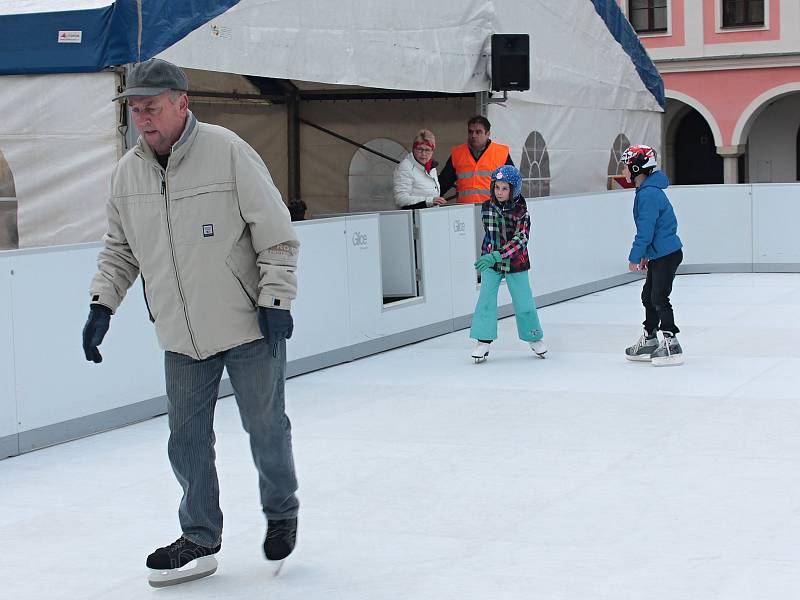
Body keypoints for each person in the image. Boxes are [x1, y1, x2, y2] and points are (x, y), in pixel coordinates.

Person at [81, 58, 300, 587]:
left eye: (151, 107)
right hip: (180, 333)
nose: (142, 119)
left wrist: (276, 297)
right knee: (186, 439)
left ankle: (281, 510)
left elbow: (274, 230)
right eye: (134, 109)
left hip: (249, 323)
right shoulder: (127, 173)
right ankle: (199, 534)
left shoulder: (228, 152)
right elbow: (120, 251)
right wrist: (100, 305)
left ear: (182, 102)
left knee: (265, 426)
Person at [470, 165, 547, 362]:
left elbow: (521, 240)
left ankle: (534, 337)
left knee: (524, 301)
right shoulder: (486, 207)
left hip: (515, 261)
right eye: (497, 187)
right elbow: (491, 234)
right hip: (491, 261)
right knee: (485, 301)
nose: (500, 192)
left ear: (514, 189)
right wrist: (489, 256)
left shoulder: (522, 212)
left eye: (505, 188)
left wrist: (498, 255)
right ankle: (483, 341)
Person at [620, 145, 684, 366]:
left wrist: (635, 256)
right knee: (648, 296)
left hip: (667, 254)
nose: (624, 172)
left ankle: (671, 341)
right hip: (660, 254)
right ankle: (650, 337)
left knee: (659, 298)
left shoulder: (648, 194)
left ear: (637, 167)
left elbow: (646, 231)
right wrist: (648, 254)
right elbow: (653, 229)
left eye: (626, 167)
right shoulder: (646, 191)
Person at [438, 115, 514, 204]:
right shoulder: (458, 154)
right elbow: (444, 182)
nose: (473, 135)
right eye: (470, 132)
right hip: (465, 209)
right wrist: (429, 199)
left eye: (478, 132)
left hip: (493, 210)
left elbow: (513, 182)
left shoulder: (501, 153)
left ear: (488, 134)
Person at [393, 129, 447, 209]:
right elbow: (400, 199)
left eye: (427, 150)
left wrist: (434, 201)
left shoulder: (432, 168)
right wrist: (429, 201)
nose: (423, 154)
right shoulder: (405, 167)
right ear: (413, 149)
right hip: (414, 218)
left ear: (432, 151)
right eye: (420, 149)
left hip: (430, 215)